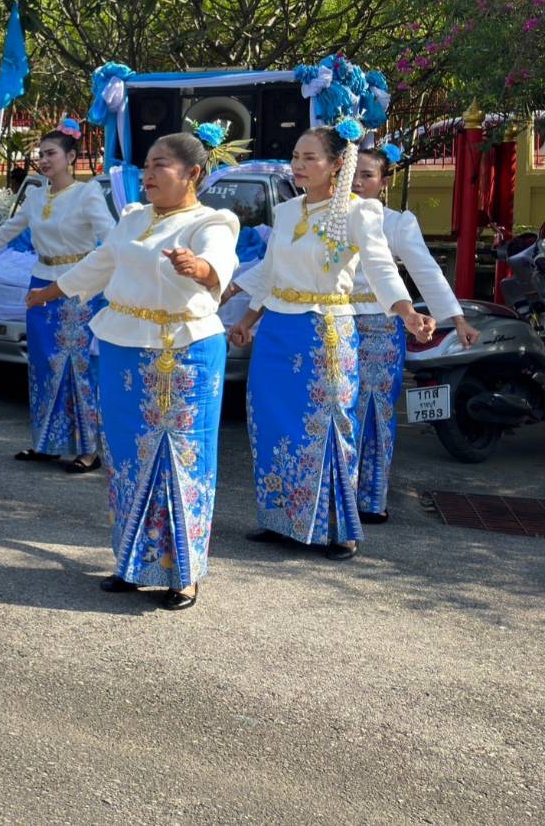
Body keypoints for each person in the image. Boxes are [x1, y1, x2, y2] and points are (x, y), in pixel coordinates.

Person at [32, 132, 239, 609]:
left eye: (160, 165)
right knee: (127, 458)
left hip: (181, 351)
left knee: (180, 457)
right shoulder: (132, 218)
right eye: (146, 165)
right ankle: (132, 563)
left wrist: (199, 268)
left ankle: (183, 574)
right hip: (123, 346)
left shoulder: (211, 221)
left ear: (192, 174)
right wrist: (49, 292)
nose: (147, 174)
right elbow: (99, 263)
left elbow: (218, 261)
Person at [227, 126, 435, 560]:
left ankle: (338, 528)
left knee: (330, 426)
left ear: (337, 163)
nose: (298, 165)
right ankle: (280, 519)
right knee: (272, 425)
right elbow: (271, 273)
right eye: (295, 156)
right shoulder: (287, 211)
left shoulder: (358, 212)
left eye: (310, 158)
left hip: (325, 333)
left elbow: (381, 268)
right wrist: (245, 316)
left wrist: (407, 312)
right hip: (277, 334)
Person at [349, 147, 476, 523]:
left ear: (384, 182)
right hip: (331, 323)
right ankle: (332, 496)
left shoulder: (395, 223)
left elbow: (425, 269)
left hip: (379, 325)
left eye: (367, 175)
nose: (357, 182)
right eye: (351, 173)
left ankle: (370, 499)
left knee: (374, 410)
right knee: (331, 410)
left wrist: (457, 319)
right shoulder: (326, 216)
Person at [0, 118, 114, 471]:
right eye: (40, 154)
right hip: (40, 283)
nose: (43, 160)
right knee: (43, 366)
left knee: (78, 367)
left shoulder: (87, 193)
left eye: (51, 153)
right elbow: (8, 230)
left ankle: (89, 448)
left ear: (70, 157)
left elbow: (111, 238)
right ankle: (46, 443)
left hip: (78, 289)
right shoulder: (36, 195)